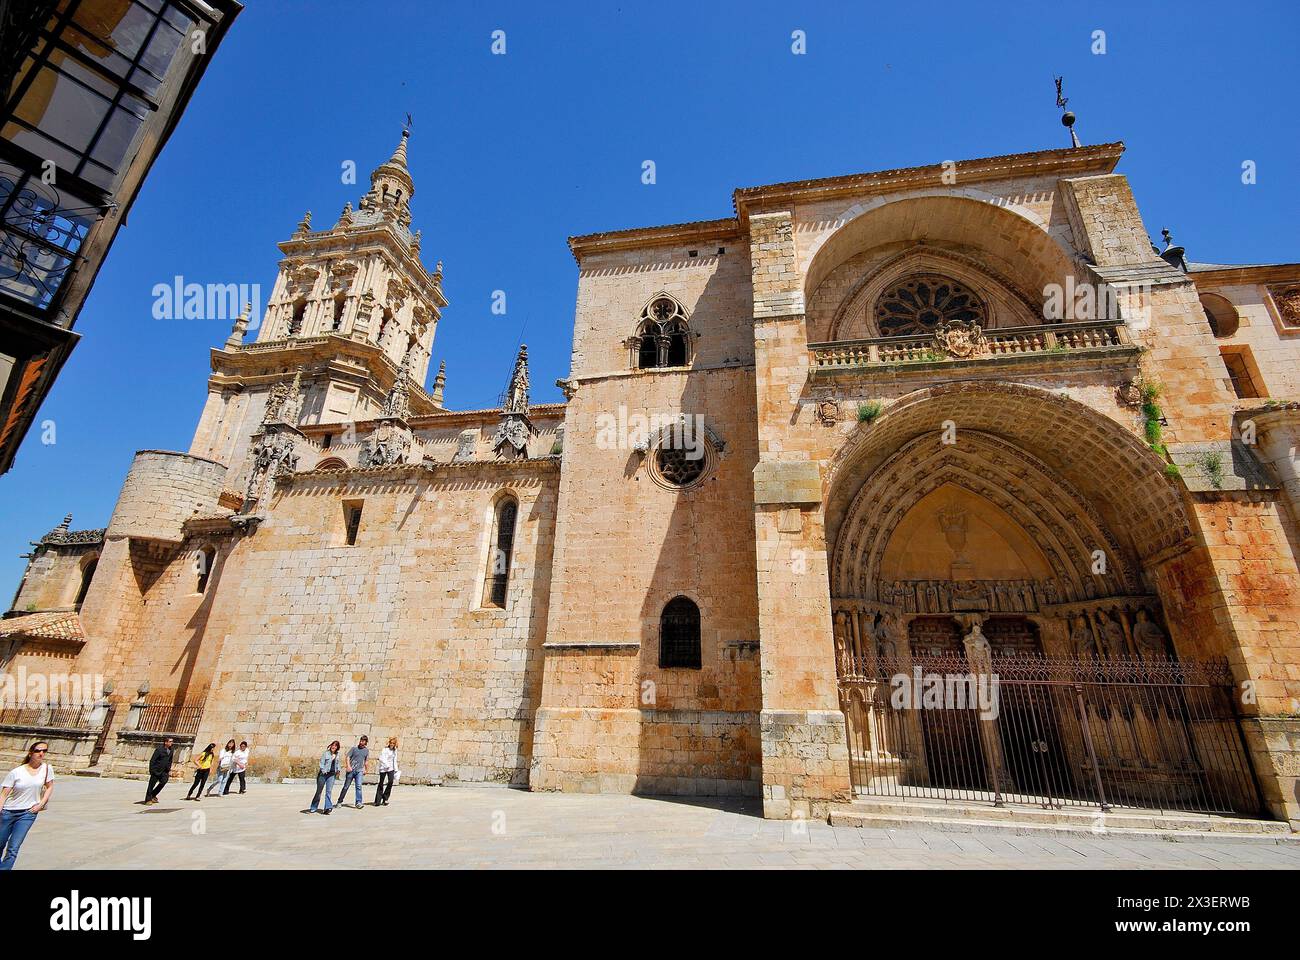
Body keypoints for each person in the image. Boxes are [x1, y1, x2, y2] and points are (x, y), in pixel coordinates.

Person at [0, 741, 54, 869]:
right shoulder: (17, 772)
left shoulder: (46, 769)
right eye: (38, 751)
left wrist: (40, 804)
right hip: (8, 812)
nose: (41, 754)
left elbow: (50, 787)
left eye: (44, 751)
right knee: (0, 844)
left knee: (13, 848)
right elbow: (4, 794)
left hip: (28, 814)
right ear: (30, 753)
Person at [336, 735, 369, 809]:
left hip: (359, 771)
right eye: (360, 740)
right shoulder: (354, 749)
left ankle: (358, 802)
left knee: (359, 786)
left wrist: (366, 769)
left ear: (366, 742)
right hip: (351, 770)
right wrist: (348, 766)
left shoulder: (366, 751)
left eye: (363, 741)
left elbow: (366, 761)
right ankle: (339, 801)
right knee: (346, 787)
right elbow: (348, 757)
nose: (361, 742)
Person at [309, 741, 341, 814]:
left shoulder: (337, 755)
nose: (334, 747)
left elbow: (338, 763)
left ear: (337, 748)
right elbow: (321, 763)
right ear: (331, 746)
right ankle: (313, 807)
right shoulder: (326, 753)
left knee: (328, 792)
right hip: (323, 774)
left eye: (335, 746)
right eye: (333, 745)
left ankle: (327, 807)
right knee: (319, 792)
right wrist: (323, 770)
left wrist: (338, 770)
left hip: (332, 775)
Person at [144, 737, 174, 804]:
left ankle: (153, 795)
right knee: (151, 785)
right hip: (156, 770)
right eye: (170, 741)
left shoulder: (171, 750)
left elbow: (170, 760)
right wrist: (152, 770)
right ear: (166, 742)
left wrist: (169, 768)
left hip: (165, 771)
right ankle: (148, 799)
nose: (171, 743)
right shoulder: (159, 750)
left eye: (172, 741)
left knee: (164, 781)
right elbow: (152, 760)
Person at [374, 737, 399, 806]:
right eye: (391, 743)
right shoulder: (385, 750)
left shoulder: (395, 751)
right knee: (381, 783)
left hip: (391, 768)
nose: (391, 744)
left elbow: (395, 760)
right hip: (383, 768)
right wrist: (386, 765)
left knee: (390, 781)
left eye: (393, 743)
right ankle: (378, 800)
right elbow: (381, 758)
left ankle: (385, 798)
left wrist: (396, 769)